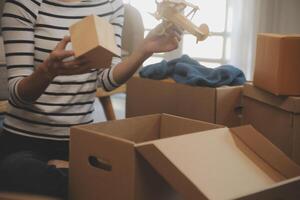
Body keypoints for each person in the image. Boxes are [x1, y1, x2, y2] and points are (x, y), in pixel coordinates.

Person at [0, 0, 182, 198]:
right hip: (24, 144)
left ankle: (75, 175)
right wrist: (46, 72)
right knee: (17, 169)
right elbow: (17, 96)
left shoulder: (111, 5)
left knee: (131, 172)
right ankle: (79, 177)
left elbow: (105, 80)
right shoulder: (24, 5)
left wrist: (144, 50)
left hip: (79, 142)